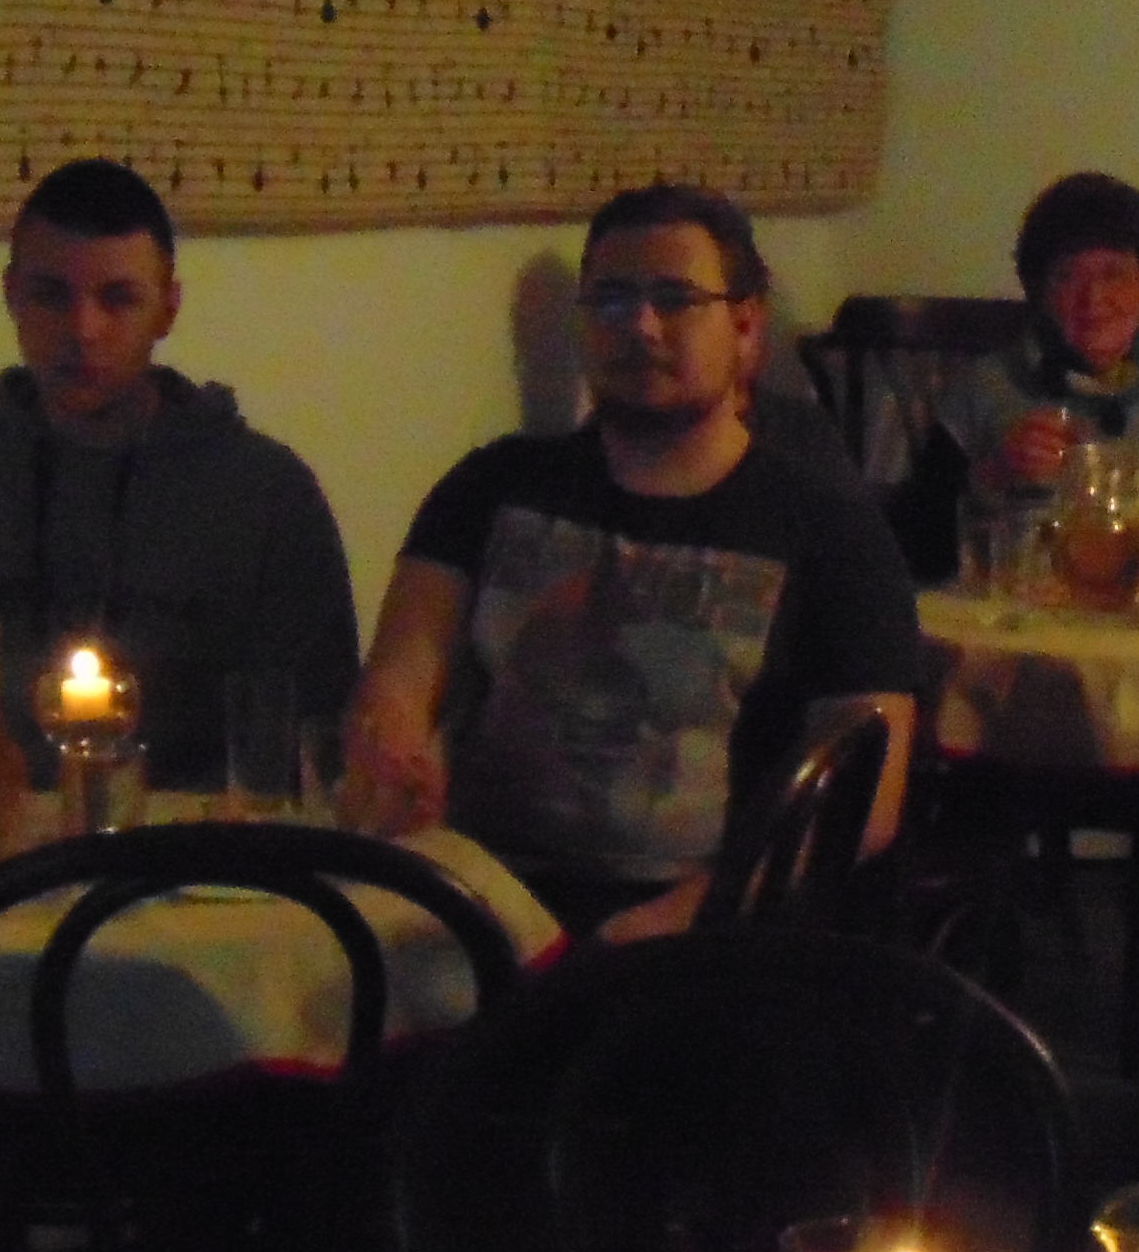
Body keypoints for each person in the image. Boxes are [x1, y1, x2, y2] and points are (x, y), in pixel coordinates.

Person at [346, 181, 923, 937]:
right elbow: (401, 669)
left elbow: (862, 802)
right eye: (612, 299)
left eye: (675, 299)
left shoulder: (829, 527)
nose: (640, 327)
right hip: (473, 896)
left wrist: (666, 924)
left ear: (746, 327)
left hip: (703, 923)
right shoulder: (491, 485)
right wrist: (393, 749)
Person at [0, 157, 356, 798]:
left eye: (118, 299)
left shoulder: (266, 495)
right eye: (52, 296)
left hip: (197, 844)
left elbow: (313, 740)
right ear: (12, 295)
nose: (82, 330)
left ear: (167, 308)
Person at [934, 171, 1139, 582]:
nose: (1093, 299)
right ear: (1040, 291)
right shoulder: (985, 389)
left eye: (1114, 274)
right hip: (1024, 615)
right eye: (1067, 277)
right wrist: (994, 473)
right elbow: (909, 553)